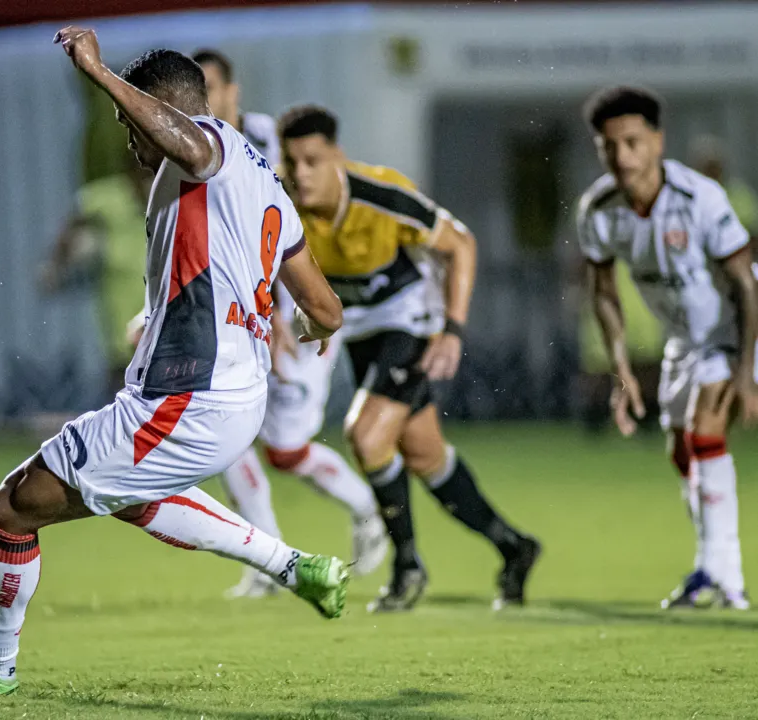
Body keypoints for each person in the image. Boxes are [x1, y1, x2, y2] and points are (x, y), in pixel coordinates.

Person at [0, 29, 348, 700]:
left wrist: (103, 76)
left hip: (189, 398)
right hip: (227, 399)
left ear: (158, 108)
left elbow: (191, 139)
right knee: (131, 497)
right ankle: (292, 565)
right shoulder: (266, 182)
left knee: (10, 511)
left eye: (130, 119)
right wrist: (314, 322)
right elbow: (325, 305)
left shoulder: (210, 148)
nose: (129, 137)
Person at [277, 104, 541, 613]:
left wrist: (453, 330)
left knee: (365, 435)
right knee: (423, 455)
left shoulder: (381, 195)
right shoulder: (285, 203)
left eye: (313, 160)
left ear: (337, 156)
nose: (302, 174)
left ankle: (407, 567)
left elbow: (461, 244)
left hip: (412, 322)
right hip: (361, 331)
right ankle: (514, 545)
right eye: (293, 162)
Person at [188, 49, 387, 599]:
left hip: (290, 307)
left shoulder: (267, 146)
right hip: (232, 308)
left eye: (209, 87)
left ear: (233, 90)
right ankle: (267, 559)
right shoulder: (189, 145)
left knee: (287, 450)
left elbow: (283, 228)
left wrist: (279, 311)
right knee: (220, 433)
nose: (200, 100)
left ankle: (370, 510)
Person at [577, 86, 757, 610]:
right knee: (682, 453)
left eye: (633, 142)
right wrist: (620, 370)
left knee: (705, 434)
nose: (622, 156)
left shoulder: (700, 197)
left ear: (657, 140)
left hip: (731, 329)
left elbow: (746, 286)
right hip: (683, 342)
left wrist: (746, 372)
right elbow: (604, 292)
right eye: (610, 147)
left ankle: (728, 577)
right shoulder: (599, 210)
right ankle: (711, 569)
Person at [42, 156, 151, 399]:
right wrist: (57, 264)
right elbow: (75, 221)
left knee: (156, 355)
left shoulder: (165, 195)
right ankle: (117, 412)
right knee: (123, 357)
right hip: (119, 290)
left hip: (156, 288)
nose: (147, 180)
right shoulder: (109, 196)